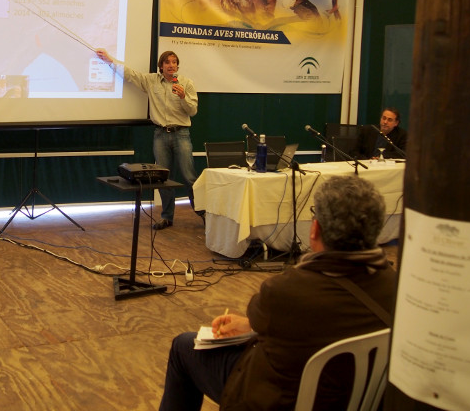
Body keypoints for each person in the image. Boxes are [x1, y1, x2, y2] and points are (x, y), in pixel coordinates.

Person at [157, 175, 396, 411]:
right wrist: (250, 325)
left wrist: (255, 325)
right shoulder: (396, 287)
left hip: (280, 400)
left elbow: (281, 319)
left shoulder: (287, 290)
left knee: (183, 346)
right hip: (355, 399)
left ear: (315, 229)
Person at [95, 48, 200, 230]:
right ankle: (167, 217)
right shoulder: (151, 81)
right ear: (161, 66)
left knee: (189, 177)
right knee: (163, 179)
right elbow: (130, 74)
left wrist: (183, 97)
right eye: (167, 62)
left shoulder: (186, 84)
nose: (171, 65)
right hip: (160, 134)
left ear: (177, 66)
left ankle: (204, 214)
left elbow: (193, 111)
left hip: (181, 134)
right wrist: (110, 60)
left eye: (174, 62)